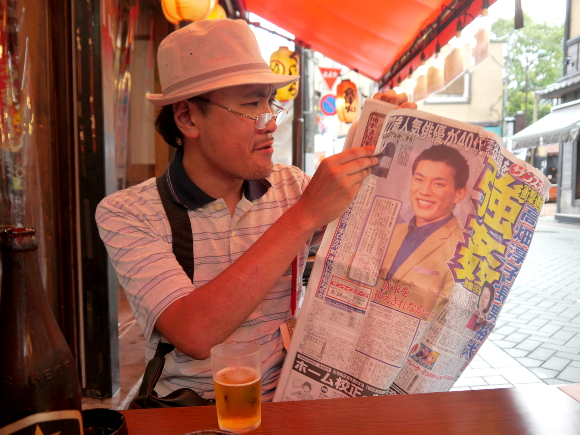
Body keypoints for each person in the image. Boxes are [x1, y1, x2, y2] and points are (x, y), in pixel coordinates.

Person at [95, 18, 415, 402]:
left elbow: (366, 244)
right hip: (190, 411)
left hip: (290, 403)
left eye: (270, 102)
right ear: (187, 117)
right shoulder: (129, 212)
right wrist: (304, 216)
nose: (271, 123)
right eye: (251, 104)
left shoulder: (292, 186)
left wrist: (376, 136)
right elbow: (194, 333)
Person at [380, 144, 469, 301]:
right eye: (419, 179)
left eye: (438, 184)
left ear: (459, 194)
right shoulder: (391, 232)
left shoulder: (462, 250)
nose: (425, 191)